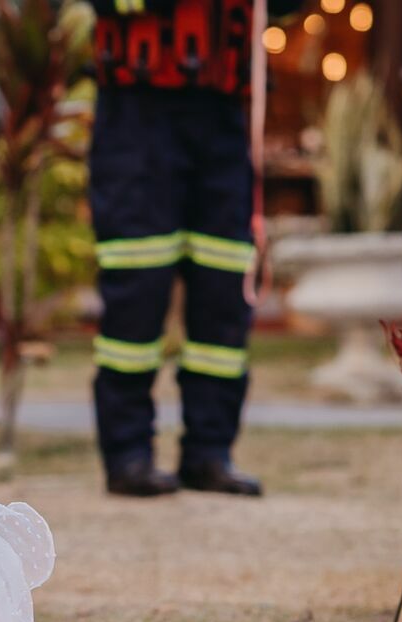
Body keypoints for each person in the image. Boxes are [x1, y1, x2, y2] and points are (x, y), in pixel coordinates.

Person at [85, 0, 278, 498]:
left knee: (223, 287)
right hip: (137, 110)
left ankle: (209, 453)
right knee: (137, 286)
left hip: (223, 114)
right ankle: (128, 454)